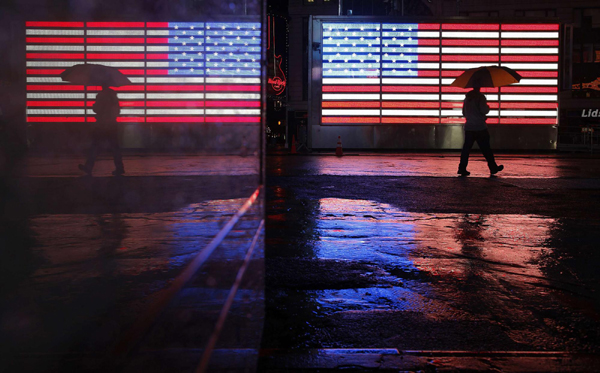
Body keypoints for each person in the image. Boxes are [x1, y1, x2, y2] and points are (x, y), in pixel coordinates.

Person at [78, 85, 124, 176]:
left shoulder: (100, 95)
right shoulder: (113, 95)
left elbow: (96, 109)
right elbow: (118, 110)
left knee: (95, 146)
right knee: (115, 148)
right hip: (112, 125)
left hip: (101, 125)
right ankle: (120, 168)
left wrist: (95, 106)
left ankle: (89, 166)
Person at [457, 87, 503, 177]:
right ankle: (493, 167)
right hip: (480, 127)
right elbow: (484, 110)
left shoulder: (467, 98)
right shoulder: (480, 97)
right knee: (486, 148)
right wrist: (487, 108)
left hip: (469, 127)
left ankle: (462, 168)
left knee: (466, 149)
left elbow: (464, 113)